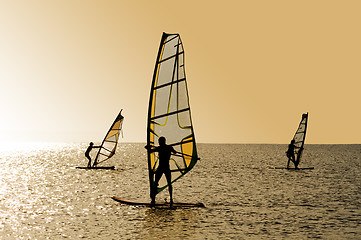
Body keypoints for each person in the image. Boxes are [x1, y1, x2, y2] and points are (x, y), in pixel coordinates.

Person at [145, 136, 177, 206]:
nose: (159, 143)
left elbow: (151, 150)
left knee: (165, 183)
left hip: (163, 168)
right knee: (159, 183)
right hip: (164, 168)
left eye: (160, 142)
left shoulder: (163, 148)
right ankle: (168, 199)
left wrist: (148, 147)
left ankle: (169, 199)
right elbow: (174, 152)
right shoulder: (168, 147)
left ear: (163, 142)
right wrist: (149, 147)